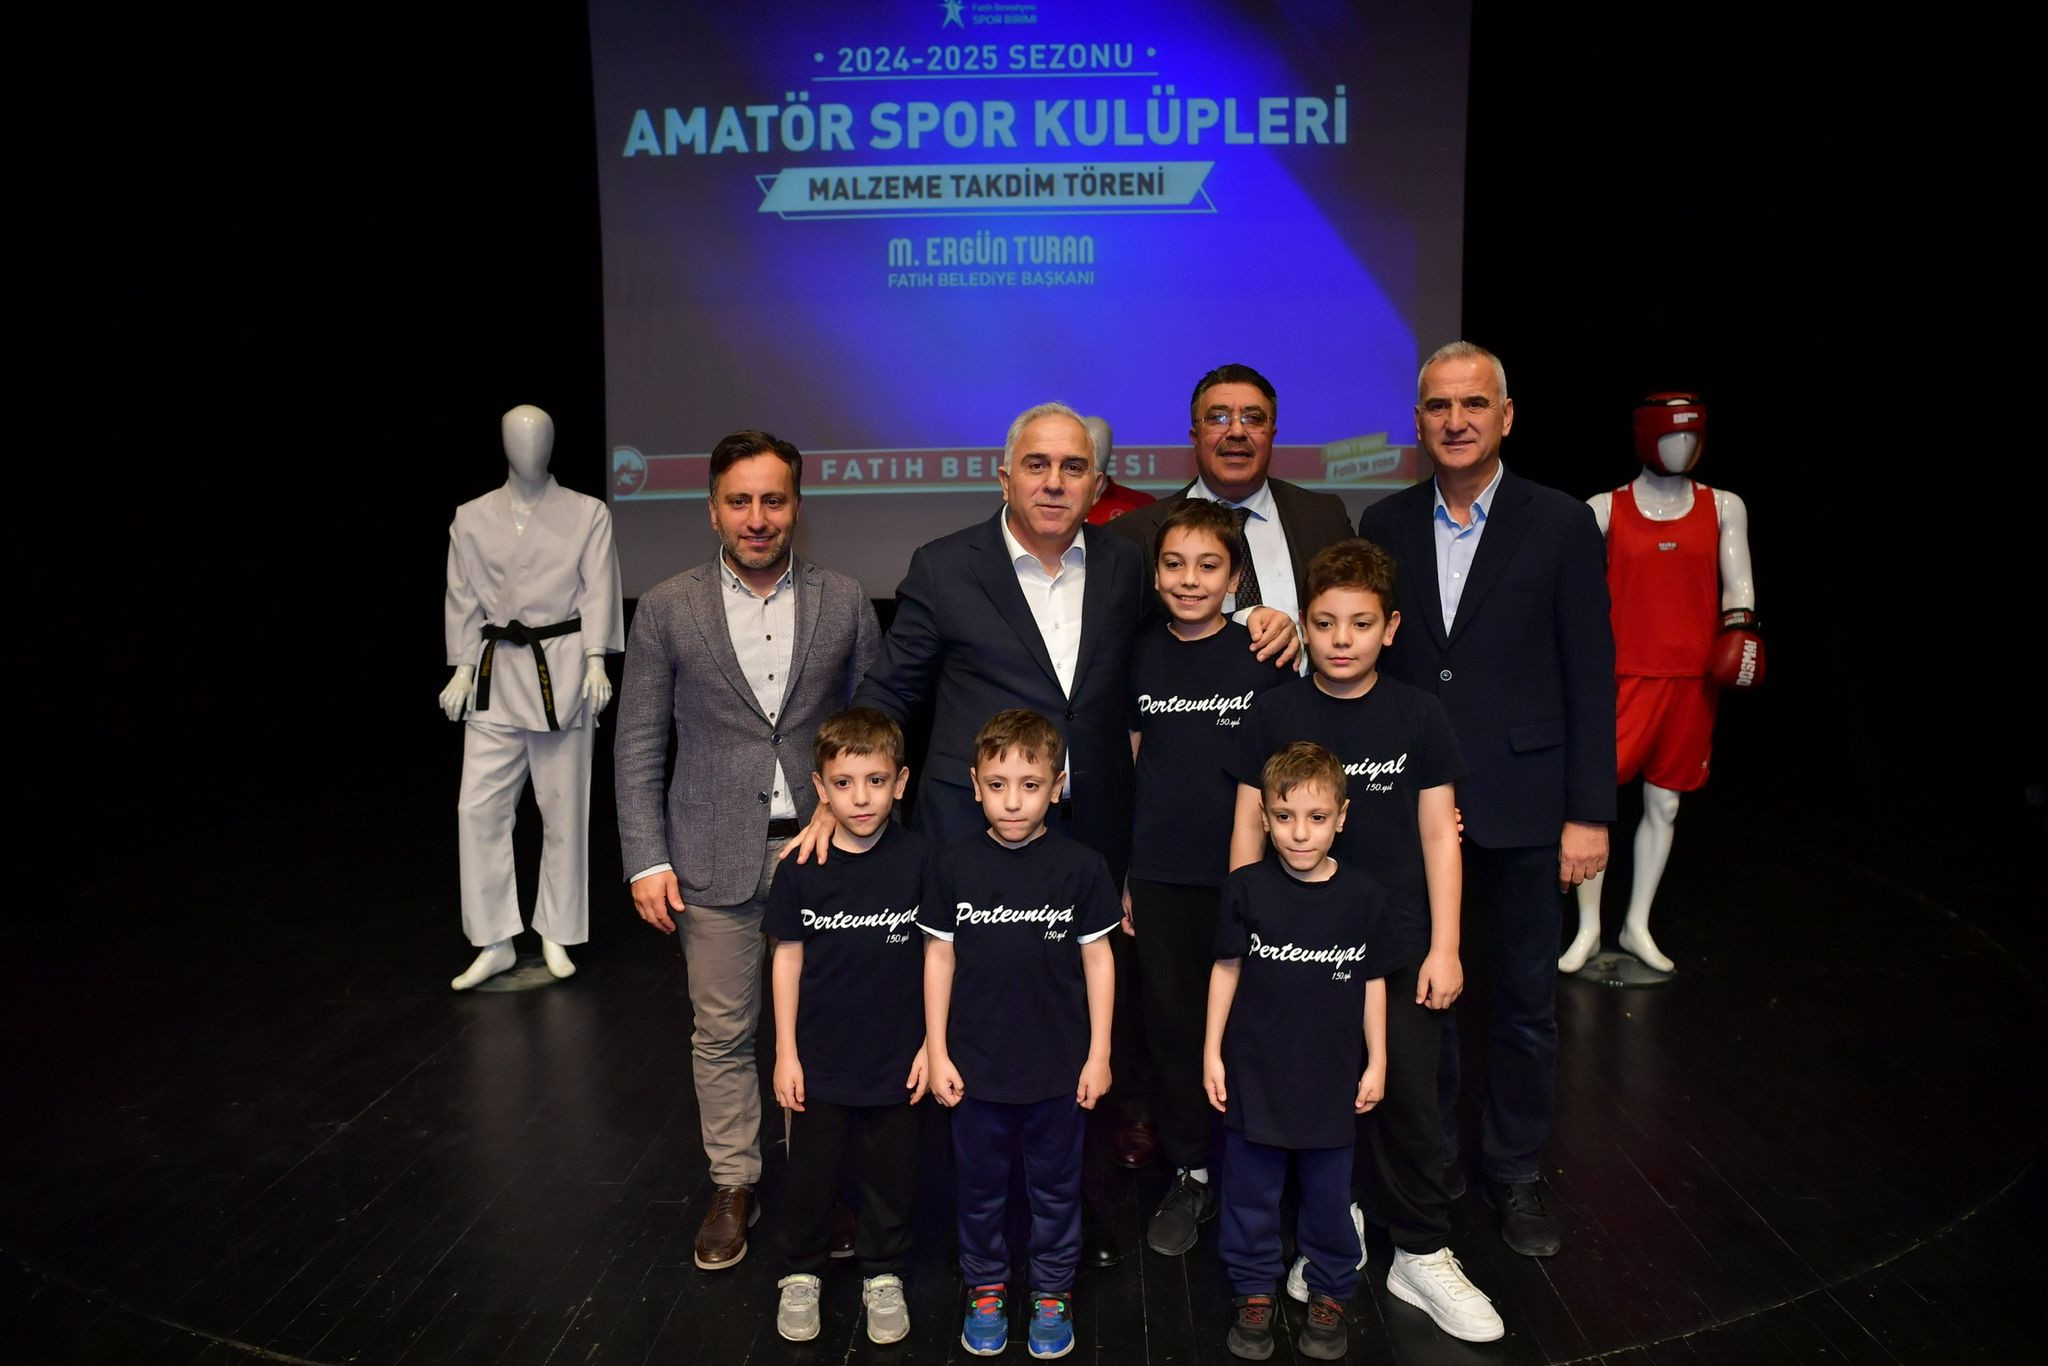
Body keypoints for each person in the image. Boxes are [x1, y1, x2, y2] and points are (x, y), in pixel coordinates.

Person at [842, 400, 1296, 1180]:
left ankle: (1078, 1182)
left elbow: (1188, 624)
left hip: (1095, 830)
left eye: (1073, 467)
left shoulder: (1127, 564)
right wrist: (840, 792)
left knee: (1084, 1004)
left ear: (1096, 485)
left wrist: (1261, 617)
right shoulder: (945, 566)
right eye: (1038, 465)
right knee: (979, 1003)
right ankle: (967, 1191)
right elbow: (890, 692)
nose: (1055, 482)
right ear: (1004, 477)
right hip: (977, 830)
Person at [1356, 342, 1617, 1259]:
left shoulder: (1562, 523)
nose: (1456, 420)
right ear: (1417, 421)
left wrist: (1589, 813)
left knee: (1523, 1006)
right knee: (1425, 1002)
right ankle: (1431, 1170)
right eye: (1438, 405)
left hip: (1526, 809)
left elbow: (1592, 673)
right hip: (1413, 813)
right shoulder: (1383, 521)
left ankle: (1514, 1173)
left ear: (1506, 417)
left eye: (1474, 404)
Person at [613, 429, 881, 1272]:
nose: (757, 517)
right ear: (713, 510)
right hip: (709, 855)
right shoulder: (666, 607)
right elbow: (637, 742)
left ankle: (820, 1183)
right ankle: (735, 1182)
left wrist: (848, 816)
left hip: (825, 853)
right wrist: (645, 858)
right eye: (740, 501)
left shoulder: (845, 599)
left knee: (826, 1029)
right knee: (724, 1032)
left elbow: (875, 725)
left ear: (797, 506)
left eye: (773, 500)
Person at [1228, 540, 1503, 1343]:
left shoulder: (1418, 714)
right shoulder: (1273, 711)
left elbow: (1440, 834)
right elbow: (1248, 828)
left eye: (1359, 623)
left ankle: (1420, 1249)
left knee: (1411, 1096)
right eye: (1323, 623)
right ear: (1304, 625)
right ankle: (1330, 1233)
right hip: (1293, 953)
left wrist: (1445, 945)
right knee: (1314, 1096)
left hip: (1401, 945)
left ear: (1390, 628)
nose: (1341, 639)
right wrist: (1245, 937)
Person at [921, 709, 1120, 1360]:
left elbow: (1099, 960)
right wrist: (937, 1050)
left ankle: (1052, 1289)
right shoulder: (952, 866)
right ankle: (986, 1286)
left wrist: (1099, 1054)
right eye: (998, 784)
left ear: (1057, 787)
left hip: (1059, 1071)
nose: (1013, 801)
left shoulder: (1083, 868)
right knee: (979, 1191)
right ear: (975, 785)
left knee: (1055, 1190)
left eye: (1030, 785)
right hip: (975, 1071)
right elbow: (939, 958)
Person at [1125, 498, 1291, 1256]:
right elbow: (1136, 764)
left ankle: (1258, 1172)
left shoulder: (1263, 656)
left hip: (1249, 877)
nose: (1189, 580)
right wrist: (1131, 873)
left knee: (1256, 1025)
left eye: (1208, 565)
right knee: (1172, 1027)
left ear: (1235, 579)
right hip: (1161, 875)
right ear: (1156, 573)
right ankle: (1191, 1171)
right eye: (1174, 564)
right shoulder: (1139, 653)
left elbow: (1285, 776)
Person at [1561, 392, 1760, 976]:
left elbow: (1739, 585)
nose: (1682, 446)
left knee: (1665, 804)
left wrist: (1742, 631)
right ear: (1647, 437)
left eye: (1691, 436)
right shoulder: (1603, 509)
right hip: (1620, 676)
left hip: (1692, 679)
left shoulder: (1724, 506)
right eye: (1672, 435)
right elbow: (1574, 593)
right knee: (1593, 802)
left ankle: (1637, 923)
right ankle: (1589, 928)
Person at [1206, 742, 1392, 1363]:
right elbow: (1226, 969)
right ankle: (1253, 1290)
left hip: (1330, 1080)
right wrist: (1211, 1052)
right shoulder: (1244, 889)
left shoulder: (1364, 896)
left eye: (1316, 818)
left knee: (1329, 1197)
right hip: (1255, 1074)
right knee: (1249, 1193)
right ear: (1264, 817)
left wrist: (1378, 1060)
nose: (1300, 833)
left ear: (1342, 817)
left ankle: (1330, 1290)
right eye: (1284, 817)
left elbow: (1371, 981)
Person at [440, 403, 622, 991]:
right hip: (496, 673)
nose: (529, 447)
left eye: (538, 437)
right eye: (518, 438)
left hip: (560, 671)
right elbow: (463, 599)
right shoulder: (471, 517)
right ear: (503, 445)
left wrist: (596, 659)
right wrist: (462, 668)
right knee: (478, 809)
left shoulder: (586, 513)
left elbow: (598, 590)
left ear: (551, 443)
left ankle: (556, 931)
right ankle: (493, 938)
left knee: (564, 809)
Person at [767, 708, 933, 1345]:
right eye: (843, 783)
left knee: (892, 1173)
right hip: (820, 1059)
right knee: (810, 1174)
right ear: (820, 787)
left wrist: (932, 1044)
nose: (860, 798)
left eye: (876, 780)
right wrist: (786, 1053)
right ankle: (800, 1272)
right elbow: (787, 958)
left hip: (899, 1056)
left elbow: (940, 958)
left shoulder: (922, 860)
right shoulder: (798, 869)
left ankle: (883, 1272)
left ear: (901, 782)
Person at [1109, 363, 1356, 627]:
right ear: (1195, 437)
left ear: (1272, 435)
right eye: (1218, 418)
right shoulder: (1133, 535)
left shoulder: (1325, 518)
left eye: (1253, 418)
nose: (1237, 432)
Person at [1079, 414, 1155, 524]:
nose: (1094, 455)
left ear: (1110, 450)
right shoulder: (1061, 500)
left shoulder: (1141, 504)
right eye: (1088, 446)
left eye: (1100, 447)